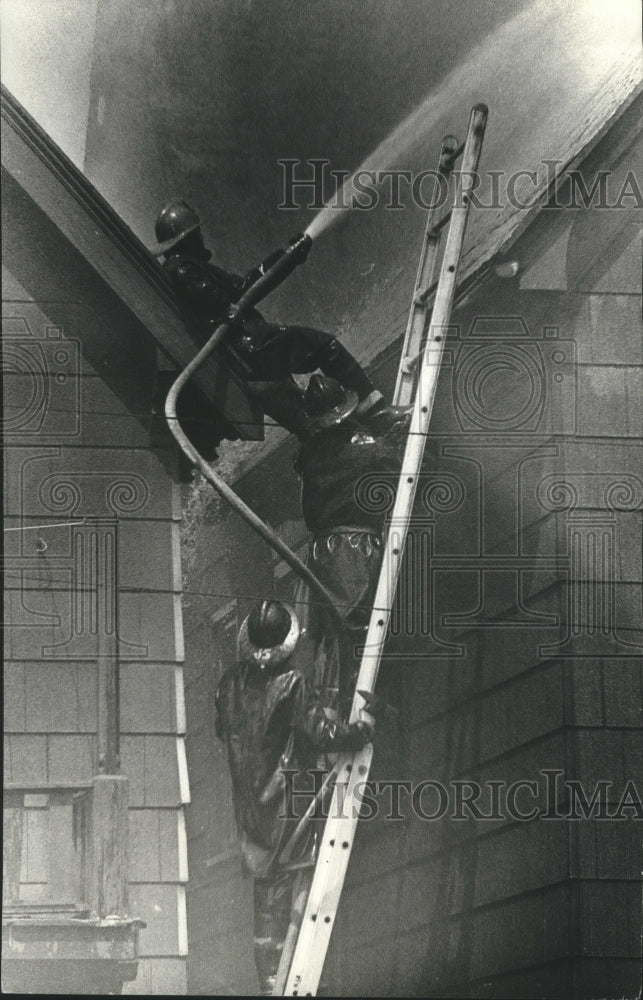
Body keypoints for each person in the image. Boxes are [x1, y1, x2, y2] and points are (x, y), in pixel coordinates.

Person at [215, 599, 373, 995]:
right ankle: (281, 984)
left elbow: (228, 732)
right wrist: (363, 730)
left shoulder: (228, 686)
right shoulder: (292, 684)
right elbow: (319, 735)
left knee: (265, 908)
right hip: (289, 814)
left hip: (251, 814)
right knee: (287, 910)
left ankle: (270, 984)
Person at [150, 199, 409, 439]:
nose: (200, 237)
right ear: (187, 237)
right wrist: (288, 257)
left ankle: (358, 443)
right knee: (325, 347)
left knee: (305, 419)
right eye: (196, 232)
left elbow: (242, 286)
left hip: (248, 352)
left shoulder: (188, 266)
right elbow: (234, 299)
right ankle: (379, 417)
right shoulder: (183, 269)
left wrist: (286, 254)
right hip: (253, 347)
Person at [293, 374, 406, 710]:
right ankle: (363, 701)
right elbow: (404, 476)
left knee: (328, 636)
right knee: (359, 628)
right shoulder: (371, 449)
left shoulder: (308, 456)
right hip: (355, 549)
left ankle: (328, 707)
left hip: (319, 554)